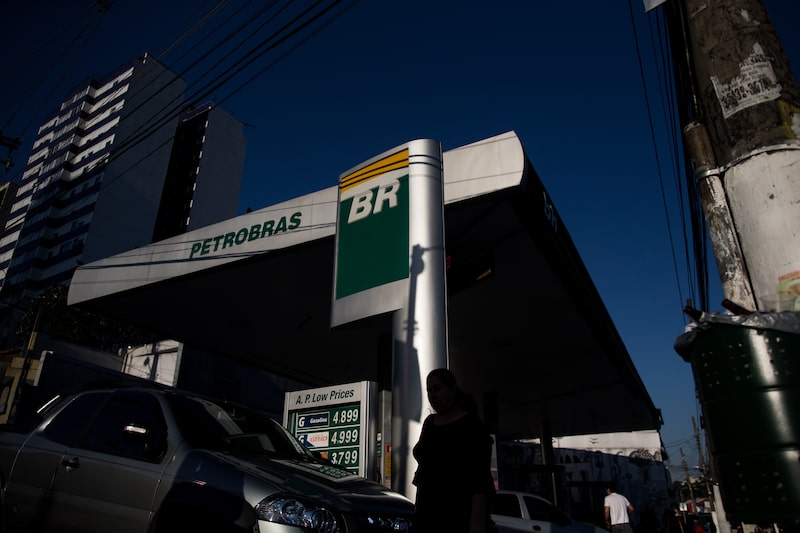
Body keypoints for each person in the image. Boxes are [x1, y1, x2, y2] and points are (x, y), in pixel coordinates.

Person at [412, 368, 494, 533]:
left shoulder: (472, 426)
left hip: (458, 516)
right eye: (429, 390)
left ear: (452, 389)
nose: (432, 395)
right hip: (426, 515)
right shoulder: (429, 423)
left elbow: (479, 480)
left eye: (437, 388)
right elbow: (424, 473)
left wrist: (476, 524)